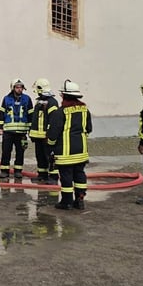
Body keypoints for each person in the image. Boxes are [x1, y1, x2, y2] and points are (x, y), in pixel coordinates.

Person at [47, 80, 92, 210]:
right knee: (79, 174)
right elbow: (89, 128)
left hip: (65, 153)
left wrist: (50, 146)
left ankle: (66, 202)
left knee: (66, 177)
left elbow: (53, 134)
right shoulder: (85, 110)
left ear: (64, 96)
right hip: (81, 152)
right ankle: (80, 199)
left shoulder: (61, 112)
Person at [0, 78, 33, 180]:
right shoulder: (6, 99)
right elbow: (2, 113)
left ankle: (18, 171)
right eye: (17, 87)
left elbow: (31, 115)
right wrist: (0, 127)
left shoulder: (27, 99)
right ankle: (4, 171)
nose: (19, 89)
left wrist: (31, 129)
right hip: (8, 131)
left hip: (22, 132)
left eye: (21, 87)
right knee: (6, 151)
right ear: (13, 88)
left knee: (20, 152)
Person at [28, 78, 60, 184]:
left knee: (50, 157)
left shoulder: (52, 102)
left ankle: (53, 177)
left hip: (46, 136)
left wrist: (50, 134)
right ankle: (42, 175)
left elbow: (53, 120)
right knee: (40, 156)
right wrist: (32, 133)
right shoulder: (39, 101)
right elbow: (35, 119)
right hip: (38, 136)